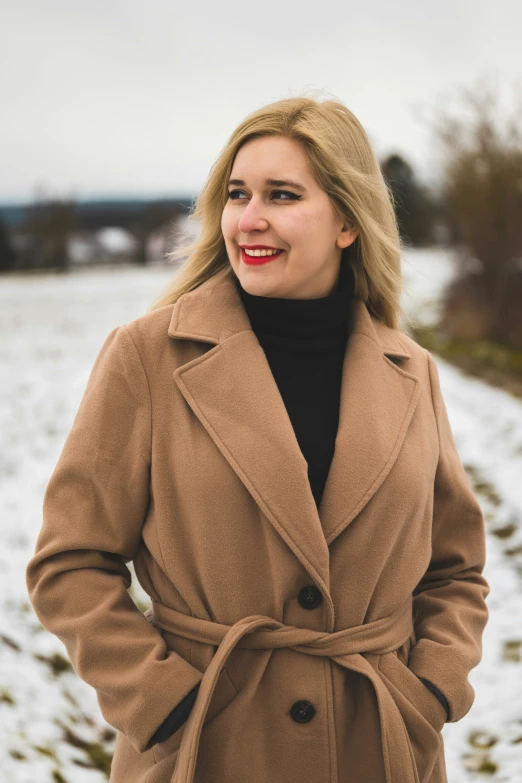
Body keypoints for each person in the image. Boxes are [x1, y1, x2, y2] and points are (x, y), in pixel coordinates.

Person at [26, 95, 490, 783]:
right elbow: (69, 562)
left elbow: (454, 570)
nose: (250, 218)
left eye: (282, 194)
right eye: (237, 194)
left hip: (379, 748)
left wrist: (430, 689)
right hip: (207, 747)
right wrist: (159, 698)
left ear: (347, 222)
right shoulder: (148, 357)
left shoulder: (410, 370)